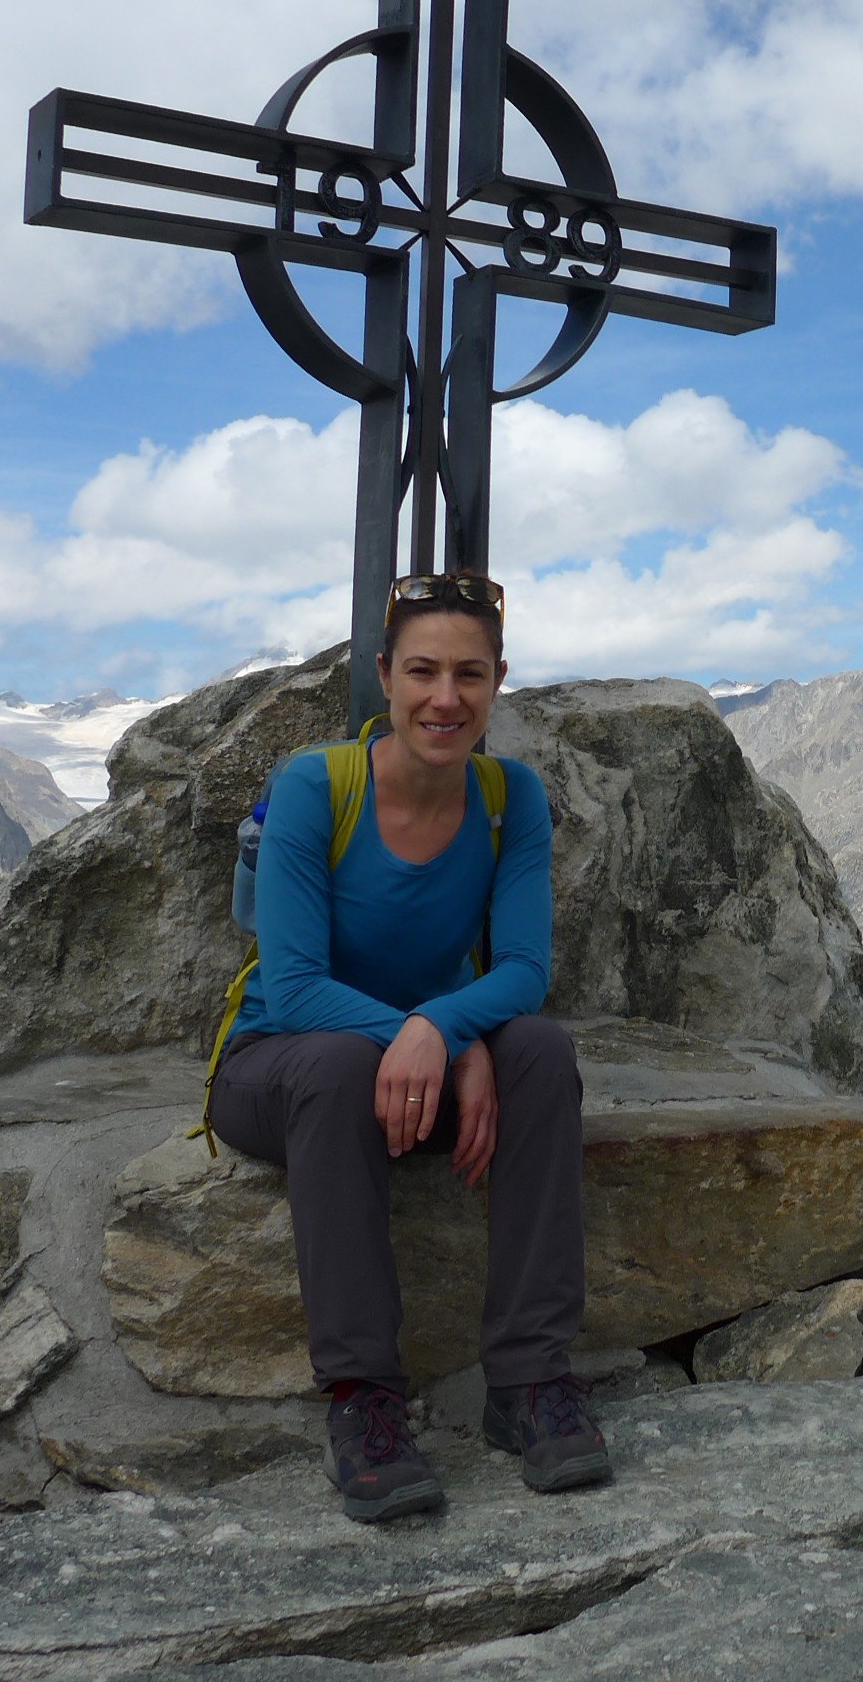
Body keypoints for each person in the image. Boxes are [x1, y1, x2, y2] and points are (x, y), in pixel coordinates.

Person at [206, 572, 608, 1522]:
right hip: (282, 1064)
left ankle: (529, 1382)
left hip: (419, 1070)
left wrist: (442, 1029)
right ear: (384, 676)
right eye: (422, 671)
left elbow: (525, 969)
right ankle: (365, 1402)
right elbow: (295, 987)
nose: (445, 697)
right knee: (342, 1064)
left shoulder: (511, 798)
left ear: (498, 681)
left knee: (540, 1052)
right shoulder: (316, 787)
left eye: (470, 674)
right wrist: (437, 1038)